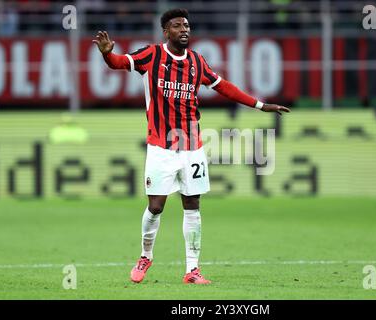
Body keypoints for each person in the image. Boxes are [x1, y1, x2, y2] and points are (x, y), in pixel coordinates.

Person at [92, 8, 290, 285]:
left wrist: (260, 105)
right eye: (177, 26)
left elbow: (225, 87)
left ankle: (192, 270)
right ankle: (145, 255)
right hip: (161, 146)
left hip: (192, 147)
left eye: (186, 25)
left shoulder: (197, 62)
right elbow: (118, 63)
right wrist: (106, 54)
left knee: (192, 205)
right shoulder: (152, 55)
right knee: (156, 206)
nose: (184, 29)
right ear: (166, 31)